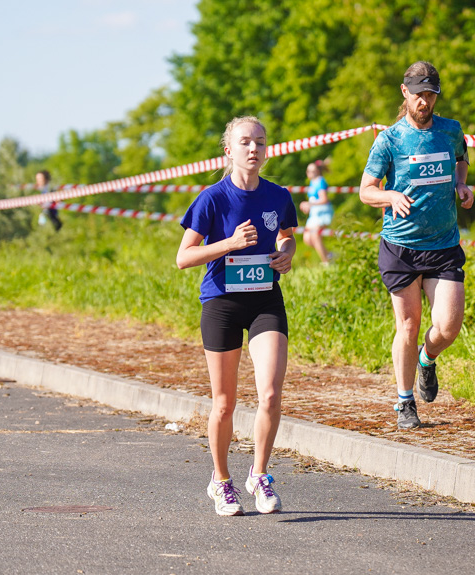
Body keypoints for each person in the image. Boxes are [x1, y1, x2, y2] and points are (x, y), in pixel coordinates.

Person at [176, 116, 298, 516]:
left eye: (260, 142)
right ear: (228, 150)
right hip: (222, 302)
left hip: (265, 299)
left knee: (271, 394)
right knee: (225, 403)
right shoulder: (212, 198)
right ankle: (221, 481)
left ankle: (259, 475)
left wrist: (287, 252)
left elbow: (286, 234)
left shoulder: (278, 195)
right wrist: (228, 243)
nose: (254, 149)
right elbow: (183, 257)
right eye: (245, 142)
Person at [359, 61, 474, 430]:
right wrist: (389, 195)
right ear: (405, 92)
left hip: (442, 245)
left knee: (449, 326)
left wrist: (460, 185)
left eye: (431, 95)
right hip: (401, 246)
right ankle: (405, 403)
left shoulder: (450, 130)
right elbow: (366, 191)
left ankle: (427, 358)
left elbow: (461, 159)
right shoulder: (389, 140)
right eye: (419, 94)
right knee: (408, 326)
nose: (425, 102)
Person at [300, 161, 335, 263]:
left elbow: (324, 199)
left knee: (315, 235)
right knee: (307, 238)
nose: (310, 173)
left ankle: (326, 262)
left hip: (322, 212)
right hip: (315, 213)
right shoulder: (312, 182)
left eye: (312, 171)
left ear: (317, 171)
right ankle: (329, 255)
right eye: (308, 171)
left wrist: (310, 204)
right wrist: (309, 206)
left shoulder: (320, 181)